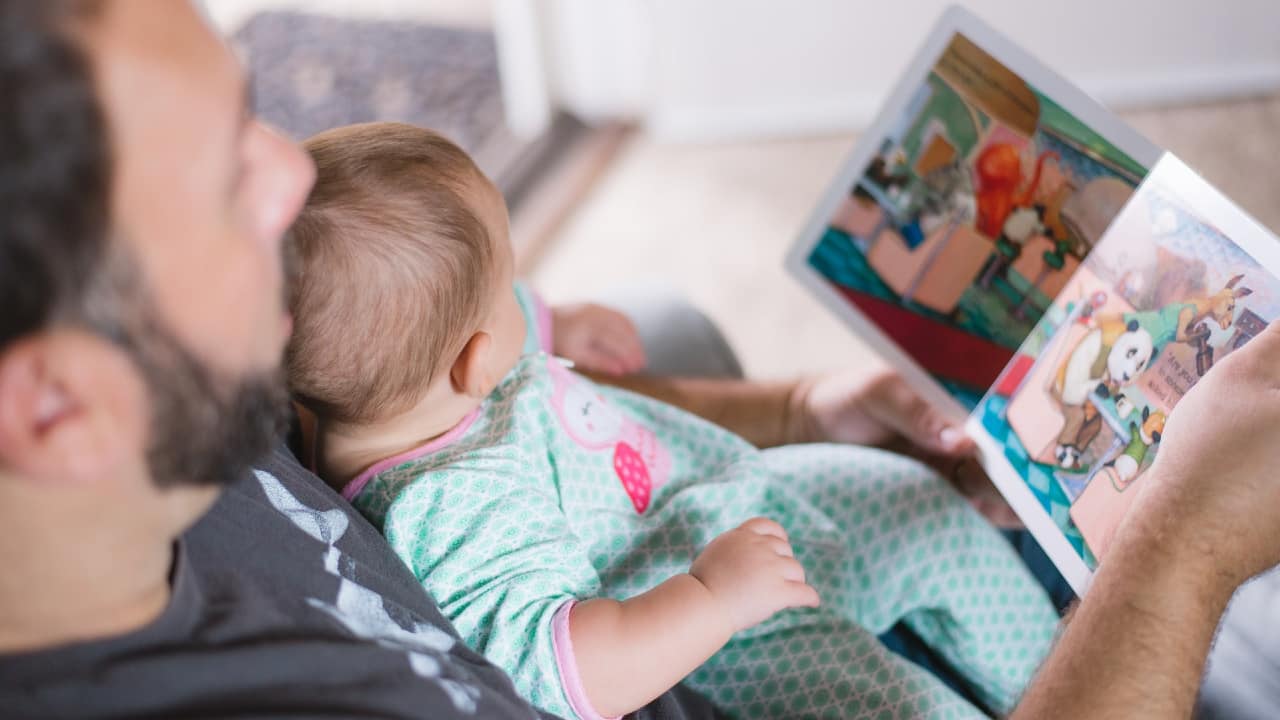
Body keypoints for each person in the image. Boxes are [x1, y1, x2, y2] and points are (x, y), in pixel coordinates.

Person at [0, 2, 1276, 719]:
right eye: (225, 178)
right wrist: (1187, 541)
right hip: (726, 639)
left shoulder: (225, 382)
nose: (290, 169)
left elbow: (491, 392)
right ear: (55, 408)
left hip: (698, 510)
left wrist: (783, 403)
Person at [286, 121, 1058, 719]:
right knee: (900, 706)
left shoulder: (408, 381)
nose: (521, 290)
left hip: (725, 494)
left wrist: (555, 320)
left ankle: (1057, 674)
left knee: (922, 507)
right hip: (727, 630)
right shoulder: (450, 509)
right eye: (510, 278)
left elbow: (474, 318)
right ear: (476, 363)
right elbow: (563, 669)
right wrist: (712, 597)